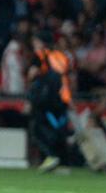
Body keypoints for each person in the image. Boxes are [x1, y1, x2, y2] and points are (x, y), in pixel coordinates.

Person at [29, 33, 73, 173]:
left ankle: (50, 156)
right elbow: (67, 78)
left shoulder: (40, 55)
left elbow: (32, 73)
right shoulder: (62, 57)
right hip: (62, 98)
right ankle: (63, 163)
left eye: (36, 42)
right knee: (59, 130)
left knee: (37, 128)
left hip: (46, 99)